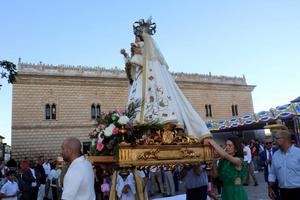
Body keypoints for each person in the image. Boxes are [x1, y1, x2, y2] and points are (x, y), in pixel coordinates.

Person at [121, 18, 211, 140]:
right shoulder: (140, 49)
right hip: (140, 80)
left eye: (137, 37)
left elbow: (142, 62)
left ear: (141, 38)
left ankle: (153, 129)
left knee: (151, 102)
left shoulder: (145, 49)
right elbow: (133, 70)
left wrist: (136, 54)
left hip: (148, 81)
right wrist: (128, 57)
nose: (135, 39)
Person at [267, 124, 300, 200]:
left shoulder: (298, 153)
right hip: (283, 192)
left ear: (285, 139)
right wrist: (270, 188)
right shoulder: (275, 155)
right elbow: (272, 174)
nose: (274, 141)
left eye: (277, 138)